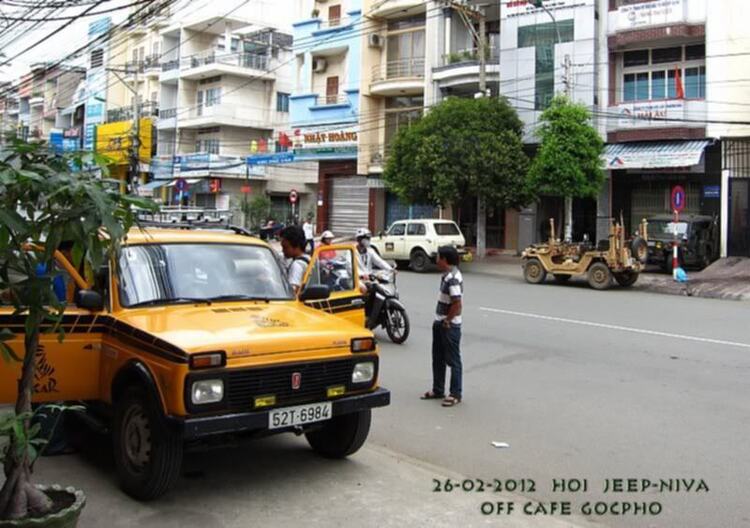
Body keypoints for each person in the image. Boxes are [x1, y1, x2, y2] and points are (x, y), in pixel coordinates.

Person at [421, 246, 463, 407]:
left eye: (438, 257)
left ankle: (455, 393)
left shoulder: (452, 278)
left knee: (453, 360)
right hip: (440, 322)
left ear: (444, 260)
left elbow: (457, 303)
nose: (436, 260)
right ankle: (438, 389)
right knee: (438, 358)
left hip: (449, 325)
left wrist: (447, 320)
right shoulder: (446, 275)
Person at [279, 225, 310, 293]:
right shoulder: (309, 259)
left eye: (285, 247)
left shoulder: (297, 265)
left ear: (297, 246)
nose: (283, 250)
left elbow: (292, 290)